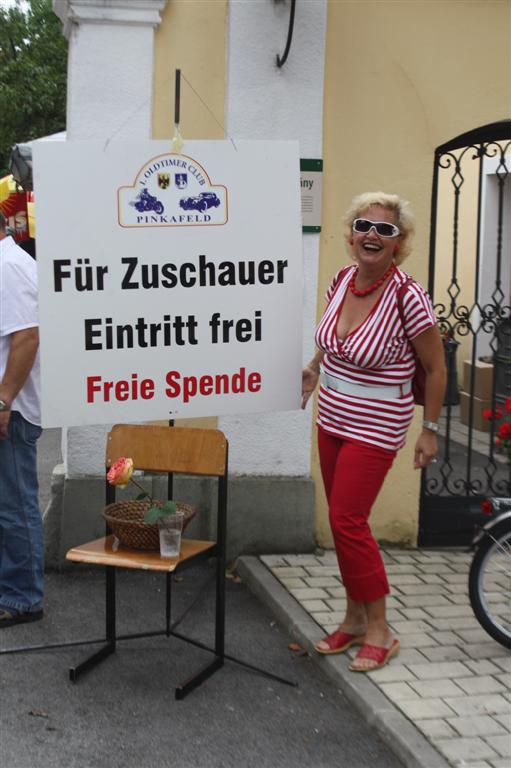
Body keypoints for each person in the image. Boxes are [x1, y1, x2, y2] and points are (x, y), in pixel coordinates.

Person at [302, 192, 446, 672]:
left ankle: (381, 628)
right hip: (332, 418)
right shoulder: (342, 280)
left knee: (348, 521)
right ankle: (354, 618)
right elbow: (333, 343)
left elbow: (435, 365)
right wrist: (313, 368)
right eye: (365, 225)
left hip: (376, 426)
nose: (372, 235)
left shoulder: (407, 295)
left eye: (385, 230)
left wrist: (429, 430)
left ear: (398, 243)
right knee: (343, 522)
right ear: (351, 234)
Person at [0, 209, 43, 627]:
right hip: (6, 406)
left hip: (10, 411)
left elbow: (27, 337)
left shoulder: (10, 266)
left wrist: (4, 399)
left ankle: (23, 597)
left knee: (15, 506)